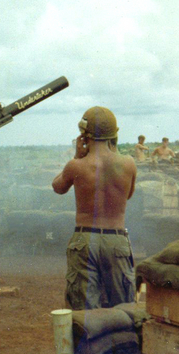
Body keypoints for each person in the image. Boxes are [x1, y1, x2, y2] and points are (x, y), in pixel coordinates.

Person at [52, 106, 137, 310]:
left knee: (84, 310)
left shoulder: (76, 166)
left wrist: (77, 156)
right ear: (113, 134)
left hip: (84, 239)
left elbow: (58, 187)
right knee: (124, 308)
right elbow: (129, 195)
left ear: (84, 135)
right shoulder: (128, 164)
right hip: (116, 240)